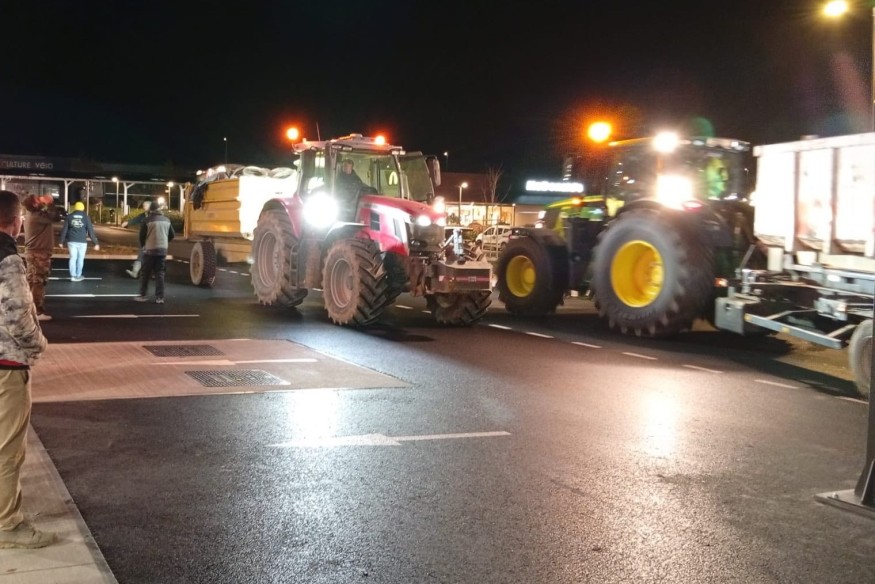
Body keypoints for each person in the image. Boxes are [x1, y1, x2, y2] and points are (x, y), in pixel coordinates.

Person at [0, 190, 53, 549]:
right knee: (8, 450)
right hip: (6, 365)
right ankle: (8, 525)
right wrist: (39, 344)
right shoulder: (7, 258)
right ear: (16, 221)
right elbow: (18, 313)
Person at [22, 194, 56, 321]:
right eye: (38, 200)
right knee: (38, 282)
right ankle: (37, 311)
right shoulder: (37, 216)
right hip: (39, 253)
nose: (41, 200)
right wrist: (50, 203)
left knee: (32, 282)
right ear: (34, 205)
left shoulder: (33, 215)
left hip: (34, 252)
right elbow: (54, 217)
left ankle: (29, 310)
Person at [135, 200, 174, 303]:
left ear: (151, 210)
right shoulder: (167, 220)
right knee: (160, 273)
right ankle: (160, 297)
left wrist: (143, 246)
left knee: (145, 273)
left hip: (149, 250)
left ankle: (142, 295)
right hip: (162, 250)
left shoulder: (147, 220)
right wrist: (165, 241)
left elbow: (141, 236)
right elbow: (172, 235)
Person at [58, 201, 100, 281]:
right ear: (83, 208)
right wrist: (96, 243)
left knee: (73, 258)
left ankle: (73, 276)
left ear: (75, 208)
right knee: (80, 259)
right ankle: (78, 275)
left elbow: (64, 230)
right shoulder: (86, 217)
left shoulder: (69, 217)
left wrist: (61, 241)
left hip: (72, 241)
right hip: (82, 242)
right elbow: (90, 231)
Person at [125, 200, 151, 279]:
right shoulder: (143, 215)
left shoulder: (153, 216)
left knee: (143, 256)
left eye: (145, 206)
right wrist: (127, 223)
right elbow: (135, 220)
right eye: (143, 205)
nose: (144, 207)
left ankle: (135, 272)